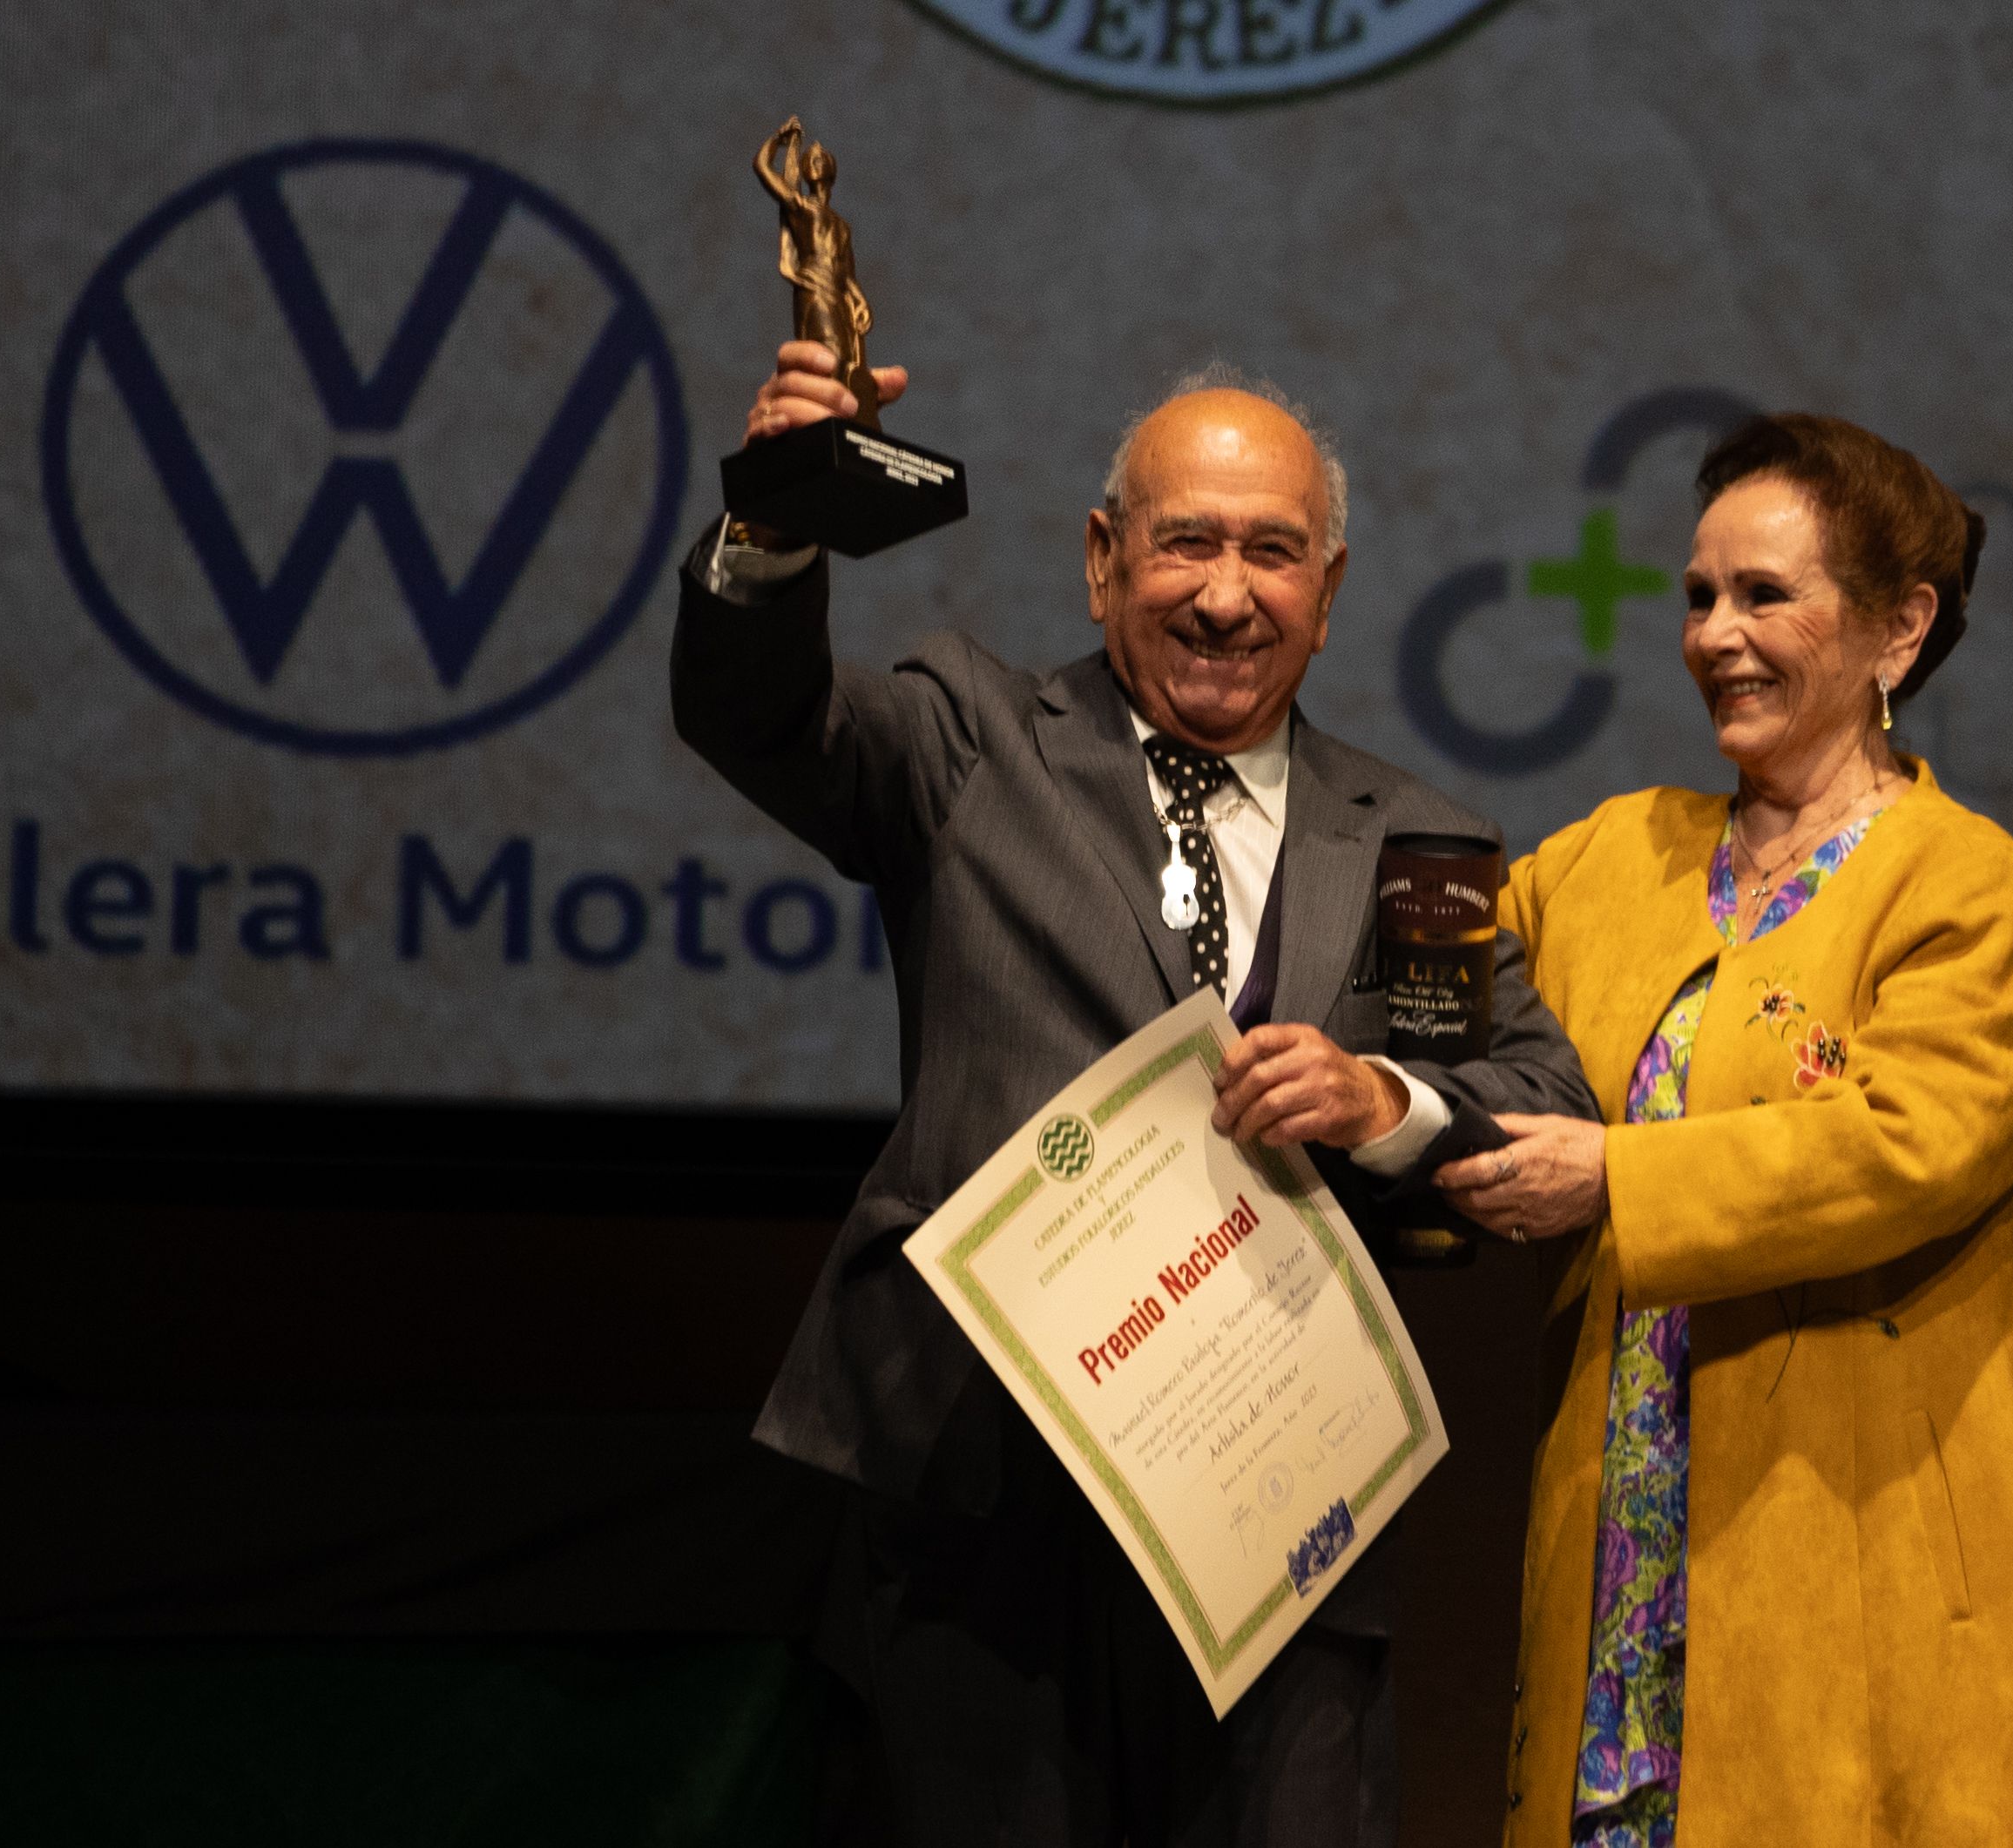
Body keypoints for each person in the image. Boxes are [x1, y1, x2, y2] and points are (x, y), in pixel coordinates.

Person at [671, 343, 1595, 1848]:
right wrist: (780, 520)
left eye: (1272, 552)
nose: (1228, 593)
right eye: (1188, 542)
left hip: (1283, 1541)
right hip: (989, 1527)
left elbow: (1536, 1090)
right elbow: (759, 716)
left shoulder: (1417, 842)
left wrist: (1381, 1098)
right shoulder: (969, 738)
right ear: (1105, 558)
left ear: (1332, 585)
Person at [1432, 414, 2013, 1846]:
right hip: (1634, 1520)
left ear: (1901, 627)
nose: (1716, 634)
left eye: (1765, 595)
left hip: (1865, 1550)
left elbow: (1905, 1145)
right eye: (1698, 596)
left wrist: (1614, 1174)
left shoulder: (1965, 889)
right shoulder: (1617, 857)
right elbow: (1435, 999)